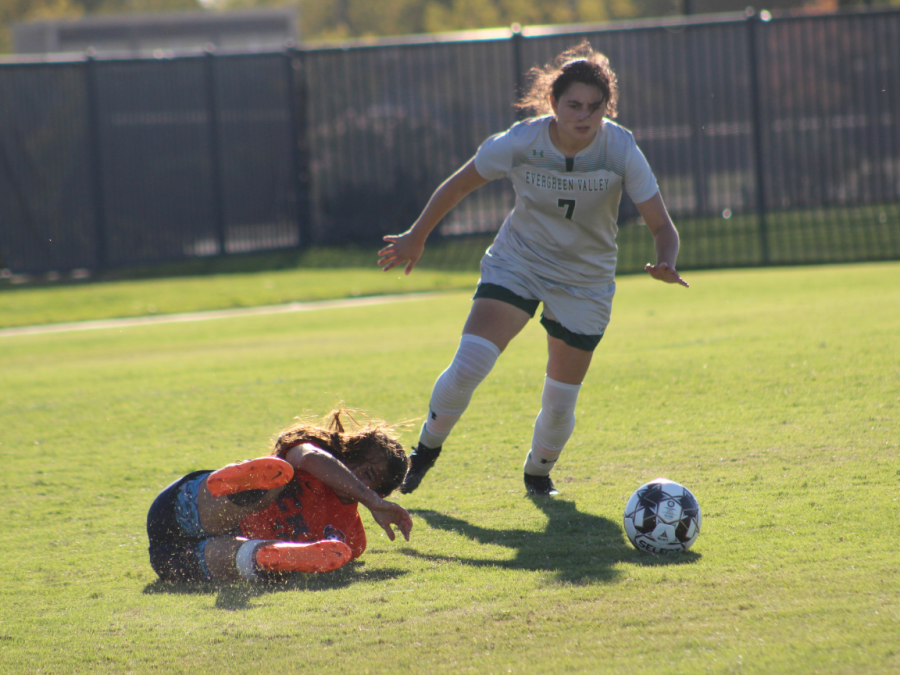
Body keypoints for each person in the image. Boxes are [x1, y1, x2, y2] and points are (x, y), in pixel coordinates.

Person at [377, 42, 689, 497]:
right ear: (553, 104)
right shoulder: (521, 141)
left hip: (585, 280)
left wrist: (666, 261)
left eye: (594, 107)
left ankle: (537, 473)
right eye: (573, 105)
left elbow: (663, 226)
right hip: (519, 261)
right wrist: (417, 236)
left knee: (560, 402)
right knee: (470, 364)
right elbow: (459, 184)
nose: (584, 116)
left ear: (608, 107)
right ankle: (423, 453)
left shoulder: (619, 148)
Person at [147, 409, 412, 582]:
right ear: (350, 451)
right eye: (360, 462)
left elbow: (339, 552)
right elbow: (308, 457)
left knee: (243, 555)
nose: (355, 472)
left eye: (369, 475)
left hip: (181, 557)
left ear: (380, 490)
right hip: (182, 508)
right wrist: (371, 500)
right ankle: (236, 486)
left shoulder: (352, 537)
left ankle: (269, 556)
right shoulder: (314, 452)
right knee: (278, 474)